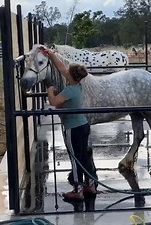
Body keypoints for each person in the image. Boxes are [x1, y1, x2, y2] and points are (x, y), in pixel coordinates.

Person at [40, 46, 97, 201]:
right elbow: (61, 67)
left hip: (73, 128)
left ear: (70, 76)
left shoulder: (69, 90)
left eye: (67, 72)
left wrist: (50, 90)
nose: (65, 72)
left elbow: (53, 101)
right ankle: (90, 185)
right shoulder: (77, 84)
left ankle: (77, 190)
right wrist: (50, 54)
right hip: (83, 125)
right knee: (84, 156)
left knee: (75, 157)